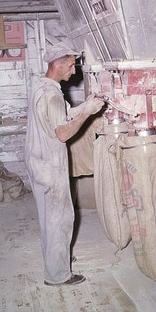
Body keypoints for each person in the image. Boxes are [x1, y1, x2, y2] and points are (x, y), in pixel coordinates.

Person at [25, 40, 104, 286]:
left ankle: (56, 259)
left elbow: (62, 114)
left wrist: (84, 106)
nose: (74, 71)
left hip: (37, 160)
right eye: (70, 66)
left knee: (49, 217)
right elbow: (63, 133)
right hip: (49, 164)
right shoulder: (52, 95)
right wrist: (89, 113)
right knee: (59, 217)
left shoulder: (41, 84)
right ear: (58, 64)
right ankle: (58, 276)